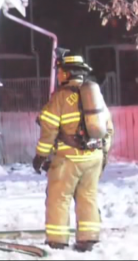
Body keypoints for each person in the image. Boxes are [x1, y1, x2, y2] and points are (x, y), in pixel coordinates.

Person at [34, 54, 115, 252]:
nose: (58, 75)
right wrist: (102, 156)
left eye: (60, 71)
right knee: (88, 196)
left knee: (58, 197)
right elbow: (108, 129)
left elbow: (49, 128)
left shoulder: (61, 96)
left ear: (67, 73)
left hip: (69, 159)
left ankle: (57, 240)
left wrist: (41, 156)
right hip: (93, 157)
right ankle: (88, 239)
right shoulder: (95, 96)